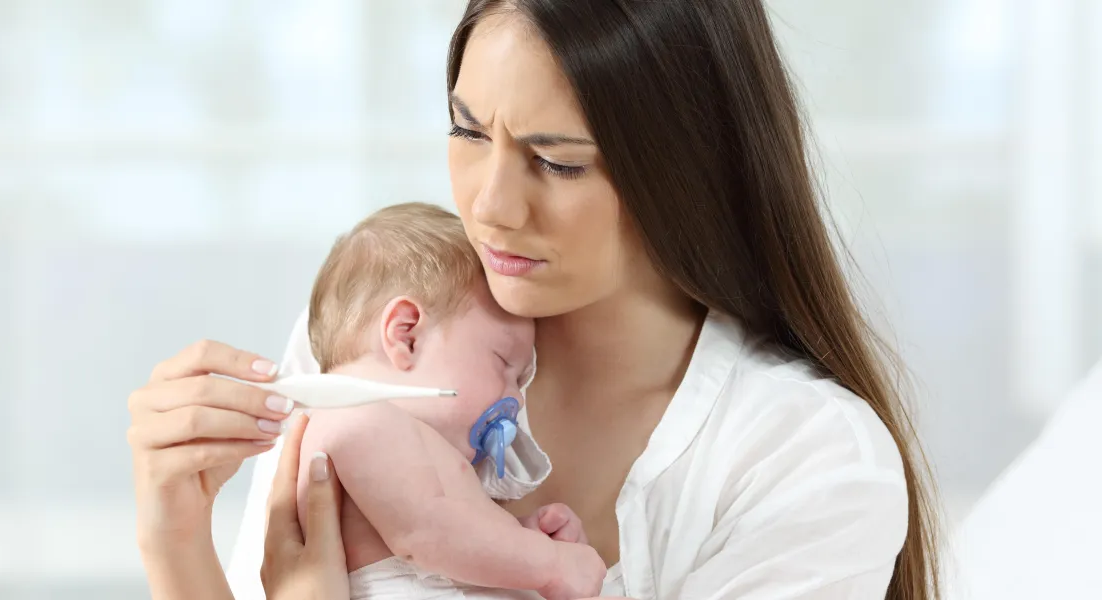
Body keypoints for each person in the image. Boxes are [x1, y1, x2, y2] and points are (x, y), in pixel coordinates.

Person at [129, 1, 942, 599]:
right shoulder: (388, 337)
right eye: (469, 132)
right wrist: (173, 540)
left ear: (688, 170)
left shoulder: (805, 460)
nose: (491, 206)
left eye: (557, 162)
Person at [295, 202, 605, 599]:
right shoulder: (356, 418)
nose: (517, 399)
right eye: (503, 362)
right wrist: (549, 562)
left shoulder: (406, 438)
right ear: (406, 335)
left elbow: (456, 541)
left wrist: (521, 536)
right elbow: (426, 531)